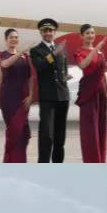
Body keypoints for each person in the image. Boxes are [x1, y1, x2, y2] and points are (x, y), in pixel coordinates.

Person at [28, 18, 70, 163]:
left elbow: (64, 67)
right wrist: (53, 54)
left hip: (63, 96)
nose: (48, 33)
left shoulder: (61, 48)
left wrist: (64, 76)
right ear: (41, 32)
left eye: (51, 30)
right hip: (48, 98)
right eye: (45, 30)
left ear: (54, 32)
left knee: (60, 136)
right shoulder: (36, 50)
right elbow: (40, 67)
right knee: (47, 136)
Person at [0, 28, 36, 162]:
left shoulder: (26, 57)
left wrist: (31, 95)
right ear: (6, 40)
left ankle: (20, 161)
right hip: (8, 97)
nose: (14, 40)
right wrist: (20, 53)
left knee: (23, 133)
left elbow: (30, 77)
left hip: (23, 98)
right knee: (14, 131)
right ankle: (10, 161)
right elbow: (5, 64)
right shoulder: (2, 54)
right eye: (11, 37)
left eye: (16, 37)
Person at [73, 24, 107, 162]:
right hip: (88, 94)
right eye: (87, 33)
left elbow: (102, 74)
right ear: (81, 36)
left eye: (92, 33)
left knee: (101, 129)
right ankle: (91, 161)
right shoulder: (79, 51)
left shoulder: (100, 52)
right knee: (90, 131)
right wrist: (95, 49)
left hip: (100, 93)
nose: (90, 35)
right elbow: (83, 65)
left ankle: (101, 160)